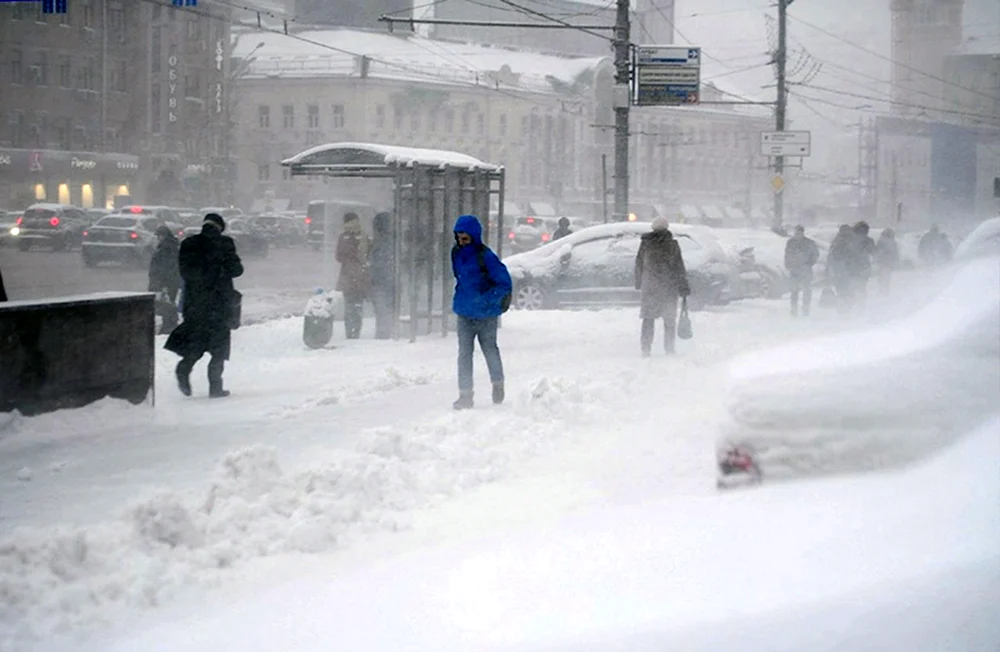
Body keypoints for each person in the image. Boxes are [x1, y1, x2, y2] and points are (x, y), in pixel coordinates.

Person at [165, 213, 244, 398]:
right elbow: (237, 270)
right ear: (220, 227)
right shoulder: (225, 244)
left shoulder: (188, 244)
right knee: (219, 349)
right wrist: (220, 270)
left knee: (197, 343)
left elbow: (185, 273)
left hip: (196, 304)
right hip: (220, 304)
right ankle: (215, 387)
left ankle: (183, 369)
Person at [451, 214, 512, 410]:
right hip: (465, 313)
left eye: (465, 238)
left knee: (489, 350)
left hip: (485, 315)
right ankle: (465, 395)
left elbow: (504, 283)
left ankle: (497, 383)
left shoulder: (486, 256)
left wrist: (485, 300)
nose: (461, 242)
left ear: (474, 237)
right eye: (459, 237)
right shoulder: (456, 253)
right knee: (464, 355)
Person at [635, 217, 691, 356]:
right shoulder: (672, 245)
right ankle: (669, 348)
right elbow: (678, 266)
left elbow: (639, 264)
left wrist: (638, 282)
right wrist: (683, 286)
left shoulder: (646, 243)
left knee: (648, 319)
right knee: (669, 319)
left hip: (650, 286)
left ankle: (646, 348)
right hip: (668, 286)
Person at [336, 212, 371, 340]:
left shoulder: (343, 236)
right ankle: (355, 332)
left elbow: (338, 257)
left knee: (349, 306)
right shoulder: (364, 236)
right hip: (360, 276)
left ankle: (350, 333)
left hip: (348, 278)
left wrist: (348, 259)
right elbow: (367, 255)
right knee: (357, 306)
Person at [148, 225, 182, 334]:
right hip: (172, 281)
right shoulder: (172, 247)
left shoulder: (164, 249)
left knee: (165, 303)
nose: (158, 238)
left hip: (166, 282)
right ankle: (170, 323)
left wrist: (160, 282)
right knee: (168, 302)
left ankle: (169, 325)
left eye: (159, 235)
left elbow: (162, 267)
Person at [369, 211, 396, 340]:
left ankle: (383, 334)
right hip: (388, 281)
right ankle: (386, 332)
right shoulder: (391, 240)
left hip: (381, 282)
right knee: (386, 310)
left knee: (382, 311)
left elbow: (378, 263)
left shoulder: (381, 242)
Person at [783, 225, 820, 317]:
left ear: (802, 232)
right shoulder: (790, 242)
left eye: (799, 232)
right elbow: (787, 254)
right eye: (796, 232)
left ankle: (805, 309)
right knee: (794, 291)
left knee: (806, 290)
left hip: (805, 270)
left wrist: (809, 263)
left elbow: (815, 254)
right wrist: (788, 265)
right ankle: (794, 310)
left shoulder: (809, 243)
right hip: (794, 270)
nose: (797, 234)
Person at [845, 221, 876, 311]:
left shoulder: (850, 240)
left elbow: (846, 254)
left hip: (851, 268)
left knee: (851, 287)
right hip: (864, 268)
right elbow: (873, 252)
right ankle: (860, 307)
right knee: (861, 287)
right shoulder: (869, 241)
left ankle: (849, 306)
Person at [874, 228, 900, 296]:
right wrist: (895, 261)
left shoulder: (880, 242)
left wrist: (876, 260)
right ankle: (885, 291)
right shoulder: (893, 243)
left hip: (882, 262)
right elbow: (895, 253)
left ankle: (882, 290)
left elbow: (877, 252)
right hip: (888, 263)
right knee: (886, 278)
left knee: (882, 278)